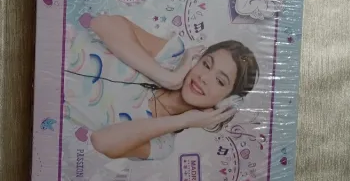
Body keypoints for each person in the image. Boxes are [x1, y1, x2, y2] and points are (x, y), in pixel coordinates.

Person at [64, 14, 259, 160]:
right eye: (206, 64)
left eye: (220, 81)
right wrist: (167, 78)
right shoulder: (173, 56)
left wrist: (183, 120)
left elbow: (101, 141)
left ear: (226, 103)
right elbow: (101, 24)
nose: (204, 77)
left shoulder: (162, 144)